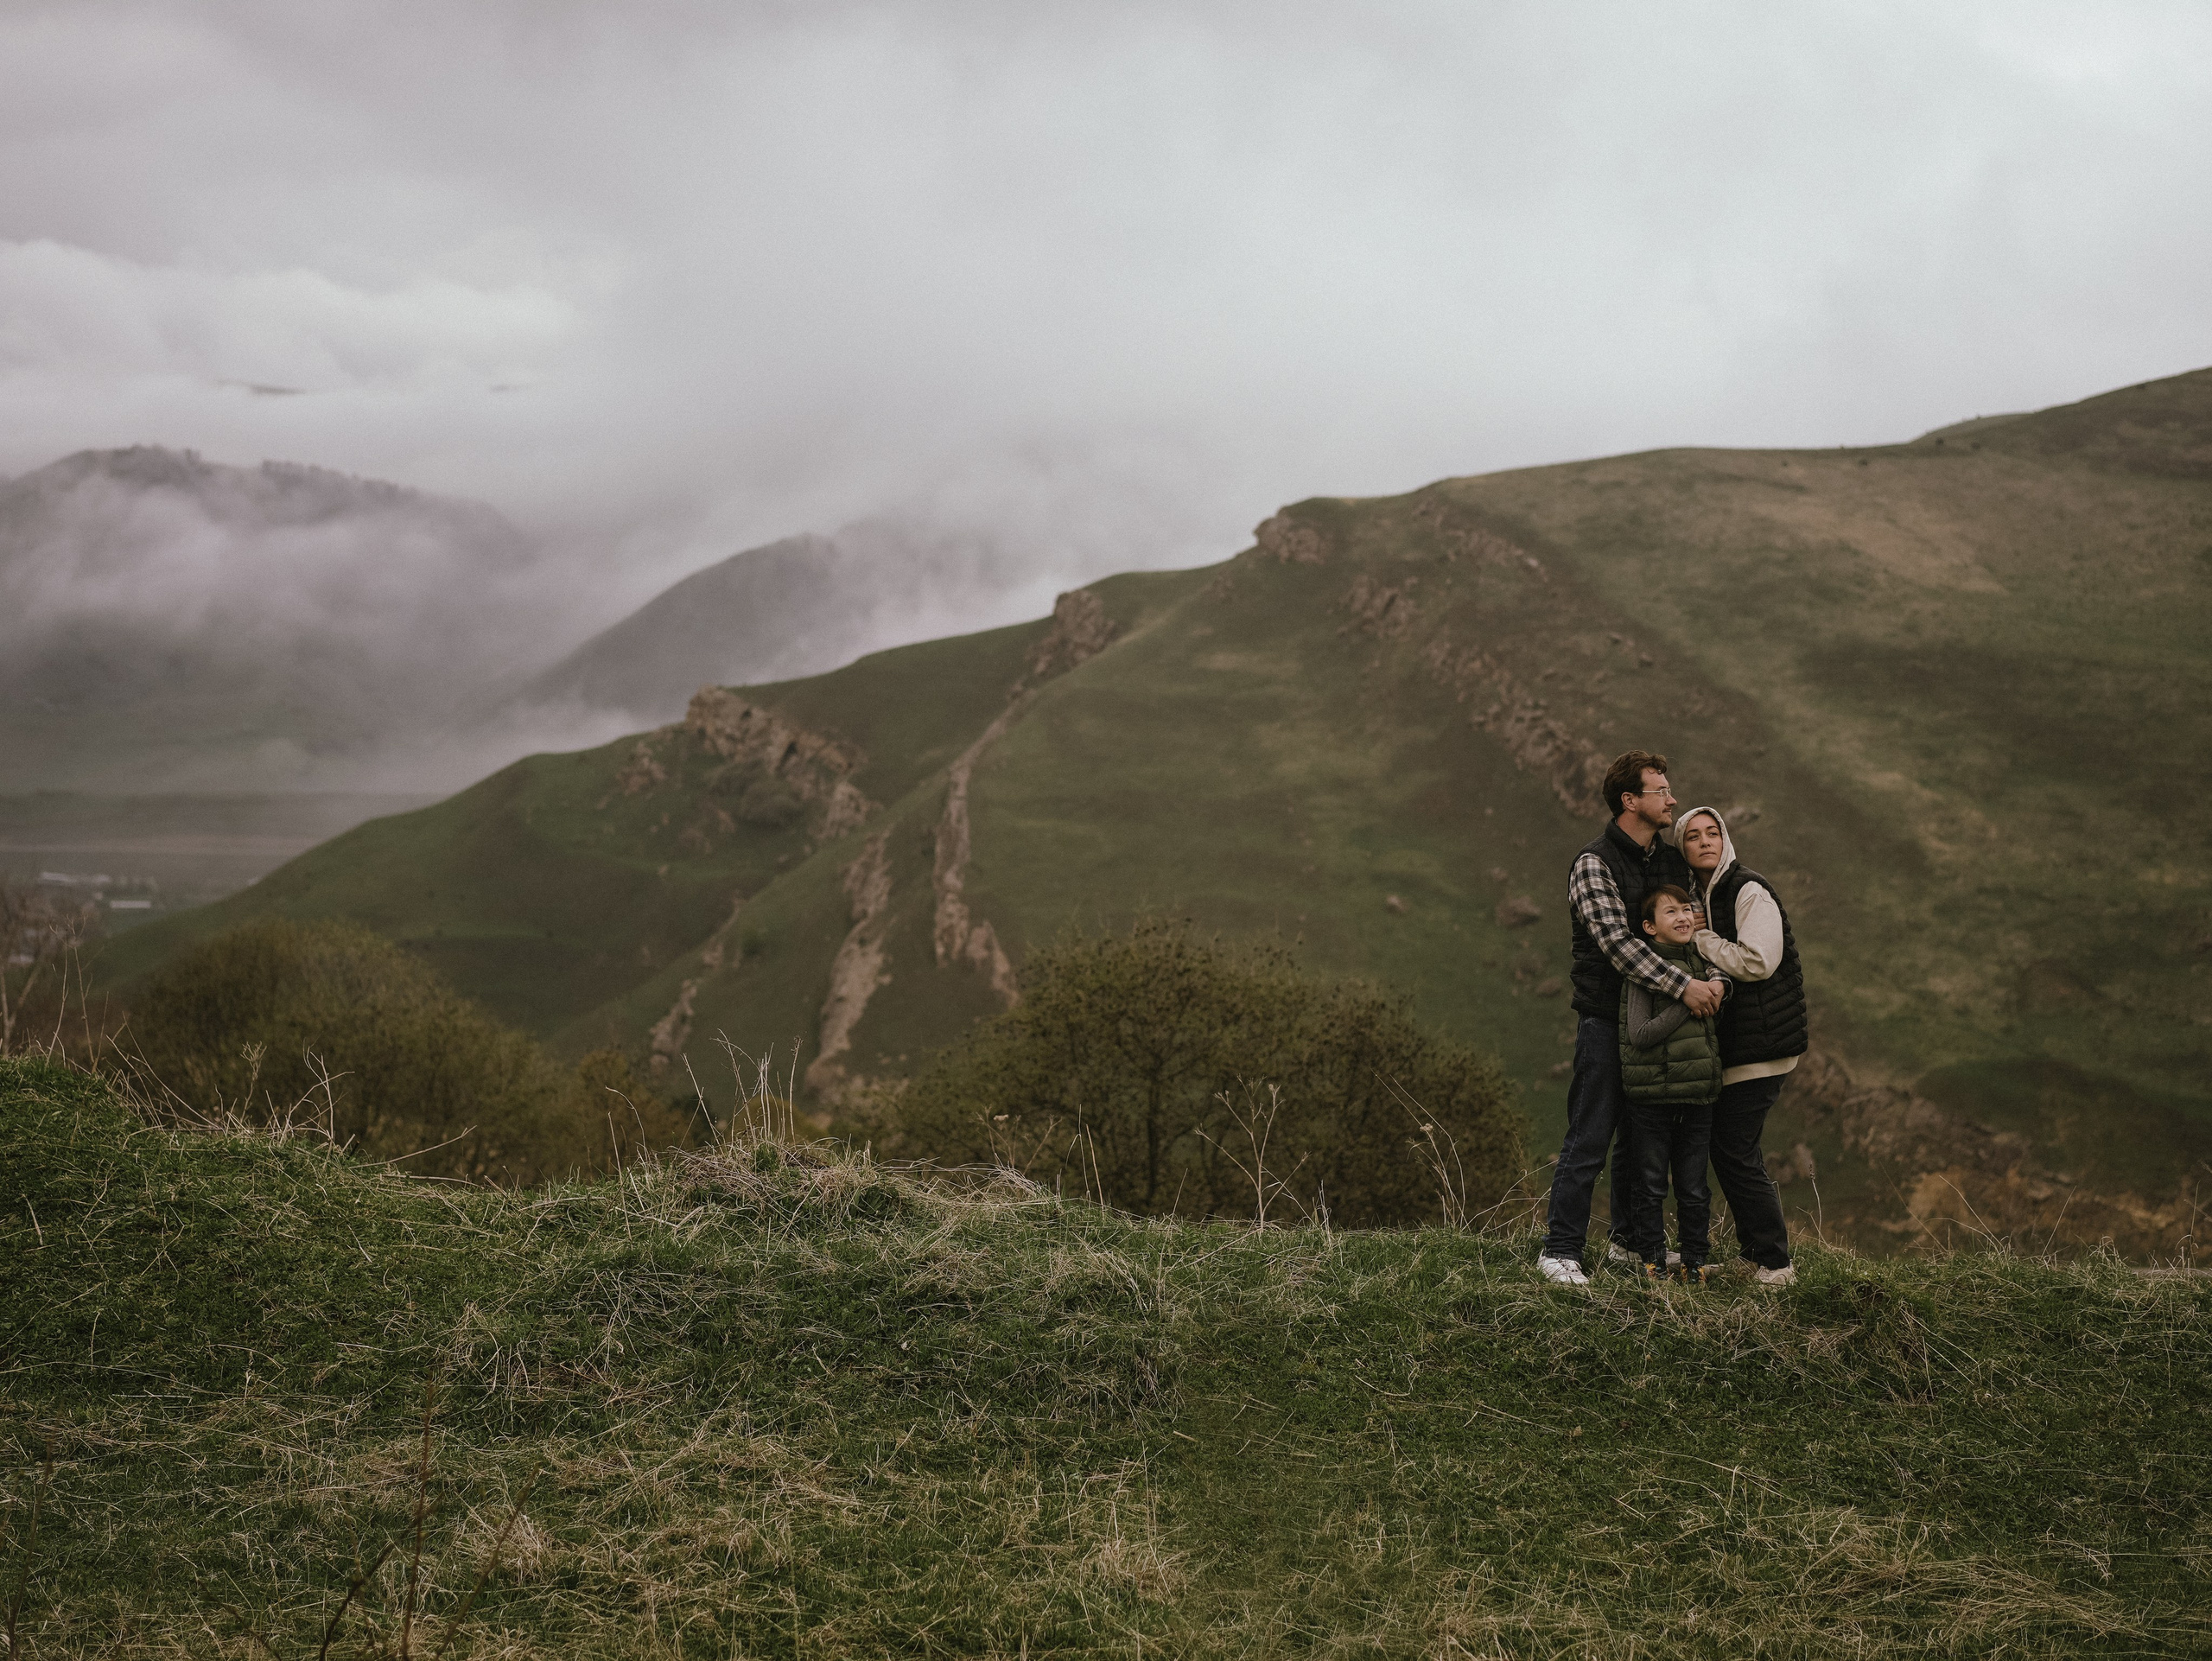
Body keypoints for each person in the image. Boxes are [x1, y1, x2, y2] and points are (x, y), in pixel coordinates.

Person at [1537, 750, 1719, 1287]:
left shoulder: (1667, 864)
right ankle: (1560, 1249)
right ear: (1630, 801)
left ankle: (1625, 1242)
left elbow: (1690, 920)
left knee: (1638, 1141)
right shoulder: (1593, 863)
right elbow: (1616, 944)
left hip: (1660, 1024)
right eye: (1662, 791)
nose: (1672, 800)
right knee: (1590, 1134)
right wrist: (1685, 987)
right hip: (1604, 1020)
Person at [1668, 806, 1807, 1287]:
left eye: (1712, 833)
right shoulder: (1702, 895)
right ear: (1682, 847)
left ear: (1725, 839)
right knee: (1731, 1148)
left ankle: (1774, 1262)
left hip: (1762, 1046)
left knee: (1734, 1147)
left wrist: (1702, 939)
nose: (1704, 842)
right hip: (1740, 1047)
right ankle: (1757, 1255)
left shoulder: (1747, 889)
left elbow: (1758, 961)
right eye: (1692, 836)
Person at [1618, 885, 1729, 1282]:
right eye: (1670, 913)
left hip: (1699, 1096)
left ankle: (1695, 1263)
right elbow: (1640, 1034)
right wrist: (1687, 1000)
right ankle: (1652, 1263)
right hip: (1652, 1099)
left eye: (1687, 909)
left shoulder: (1702, 965)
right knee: (1650, 1185)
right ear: (1649, 927)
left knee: (1694, 1187)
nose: (1683, 917)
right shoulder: (1643, 973)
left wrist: (1708, 991)